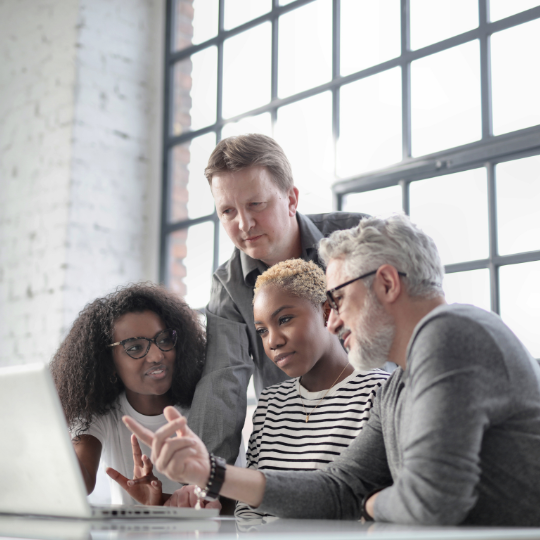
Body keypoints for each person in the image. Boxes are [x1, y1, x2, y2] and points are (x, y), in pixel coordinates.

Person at [123, 214, 540, 526]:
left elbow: (433, 501)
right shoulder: (398, 384)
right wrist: (209, 473)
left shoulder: (451, 332)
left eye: (338, 299)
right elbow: (339, 488)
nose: (334, 320)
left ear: (388, 284)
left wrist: (373, 503)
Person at [188, 133, 368, 465]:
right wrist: (207, 481)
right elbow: (222, 384)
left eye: (256, 204)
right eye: (227, 211)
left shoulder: (358, 237)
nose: (244, 224)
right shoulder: (228, 287)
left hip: (375, 426)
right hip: (295, 446)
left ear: (291, 199)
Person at [235, 259, 389, 518]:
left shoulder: (377, 391)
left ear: (328, 312)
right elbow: (248, 508)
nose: (273, 341)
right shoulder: (271, 403)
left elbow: (369, 504)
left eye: (284, 319)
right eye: (262, 331)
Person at [50, 283, 219, 508]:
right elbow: (80, 484)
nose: (157, 355)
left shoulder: (205, 406)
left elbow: (234, 502)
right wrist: (51, 422)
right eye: (135, 348)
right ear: (108, 362)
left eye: (164, 340)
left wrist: (161, 503)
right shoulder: (102, 415)